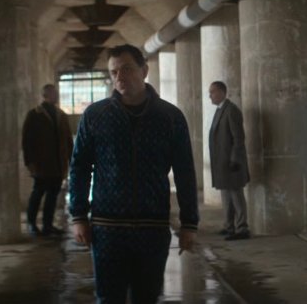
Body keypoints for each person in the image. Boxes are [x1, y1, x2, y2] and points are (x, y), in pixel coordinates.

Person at [69, 44, 198, 303]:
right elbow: (80, 167)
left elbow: (185, 172)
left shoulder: (170, 117)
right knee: (108, 298)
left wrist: (189, 223)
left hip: (153, 227)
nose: (120, 77)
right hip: (107, 228)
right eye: (114, 72)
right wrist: (79, 215)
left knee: (147, 297)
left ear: (144, 70)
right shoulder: (96, 115)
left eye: (126, 69)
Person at [22, 84, 73, 236]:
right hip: (41, 164)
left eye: (56, 93)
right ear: (45, 95)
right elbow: (27, 141)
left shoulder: (61, 115)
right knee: (37, 194)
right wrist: (29, 162)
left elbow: (67, 140)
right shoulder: (34, 114)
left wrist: (71, 160)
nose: (56, 96)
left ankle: (47, 225)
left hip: (57, 164)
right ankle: (31, 224)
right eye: (53, 93)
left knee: (52, 196)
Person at [207, 81, 251, 241]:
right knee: (226, 195)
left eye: (212, 92)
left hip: (232, 163)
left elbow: (239, 138)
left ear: (221, 92)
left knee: (236, 195)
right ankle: (229, 226)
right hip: (222, 163)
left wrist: (234, 159)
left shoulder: (231, 110)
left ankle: (242, 228)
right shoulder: (221, 110)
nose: (209, 96)